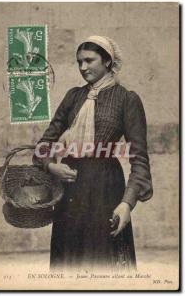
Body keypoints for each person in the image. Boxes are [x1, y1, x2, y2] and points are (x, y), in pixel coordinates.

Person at [32, 35, 153, 271]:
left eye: (89, 60)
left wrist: (126, 204)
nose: (82, 67)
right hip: (69, 190)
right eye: (79, 62)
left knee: (103, 257)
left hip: (106, 188)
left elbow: (139, 159)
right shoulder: (73, 96)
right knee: (67, 259)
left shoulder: (126, 99)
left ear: (107, 61)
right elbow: (44, 145)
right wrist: (50, 166)